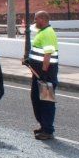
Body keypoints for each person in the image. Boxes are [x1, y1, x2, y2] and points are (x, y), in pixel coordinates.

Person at [25, 11, 59, 140]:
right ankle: (43, 126)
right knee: (36, 99)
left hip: (46, 75)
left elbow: (48, 55)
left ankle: (48, 130)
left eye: (36, 19)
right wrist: (30, 61)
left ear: (43, 19)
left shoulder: (48, 33)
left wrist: (44, 72)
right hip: (38, 74)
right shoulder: (42, 32)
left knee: (46, 102)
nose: (34, 21)